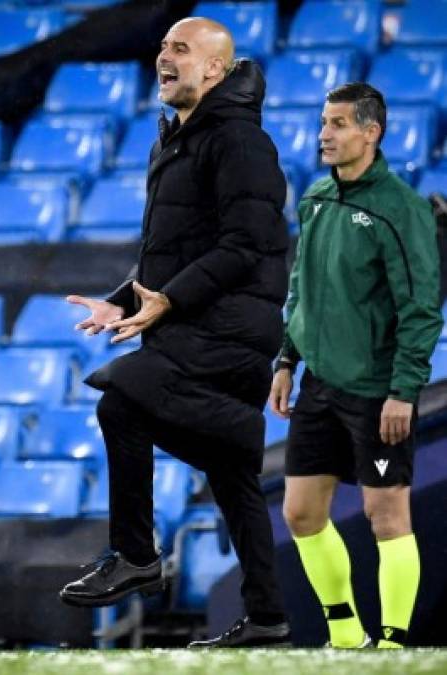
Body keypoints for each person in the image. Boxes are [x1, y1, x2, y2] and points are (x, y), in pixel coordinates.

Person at [60, 17, 291, 648]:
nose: (164, 55)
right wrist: (120, 302)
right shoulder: (177, 139)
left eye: (180, 49)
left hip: (228, 331)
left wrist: (170, 301)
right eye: (161, 45)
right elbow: (174, 248)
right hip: (197, 325)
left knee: (122, 400)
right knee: (231, 473)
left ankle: (136, 555)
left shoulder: (240, 141)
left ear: (215, 69)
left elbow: (249, 244)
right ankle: (267, 615)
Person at [269, 83, 443, 650]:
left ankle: (392, 645)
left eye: (339, 123)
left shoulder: (402, 209)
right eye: (323, 122)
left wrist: (403, 391)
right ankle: (345, 635)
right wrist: (287, 360)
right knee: (299, 514)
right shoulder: (315, 199)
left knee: (385, 515)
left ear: (372, 131)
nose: (324, 133)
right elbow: (302, 290)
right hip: (319, 382)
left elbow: (421, 308)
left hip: (377, 389)